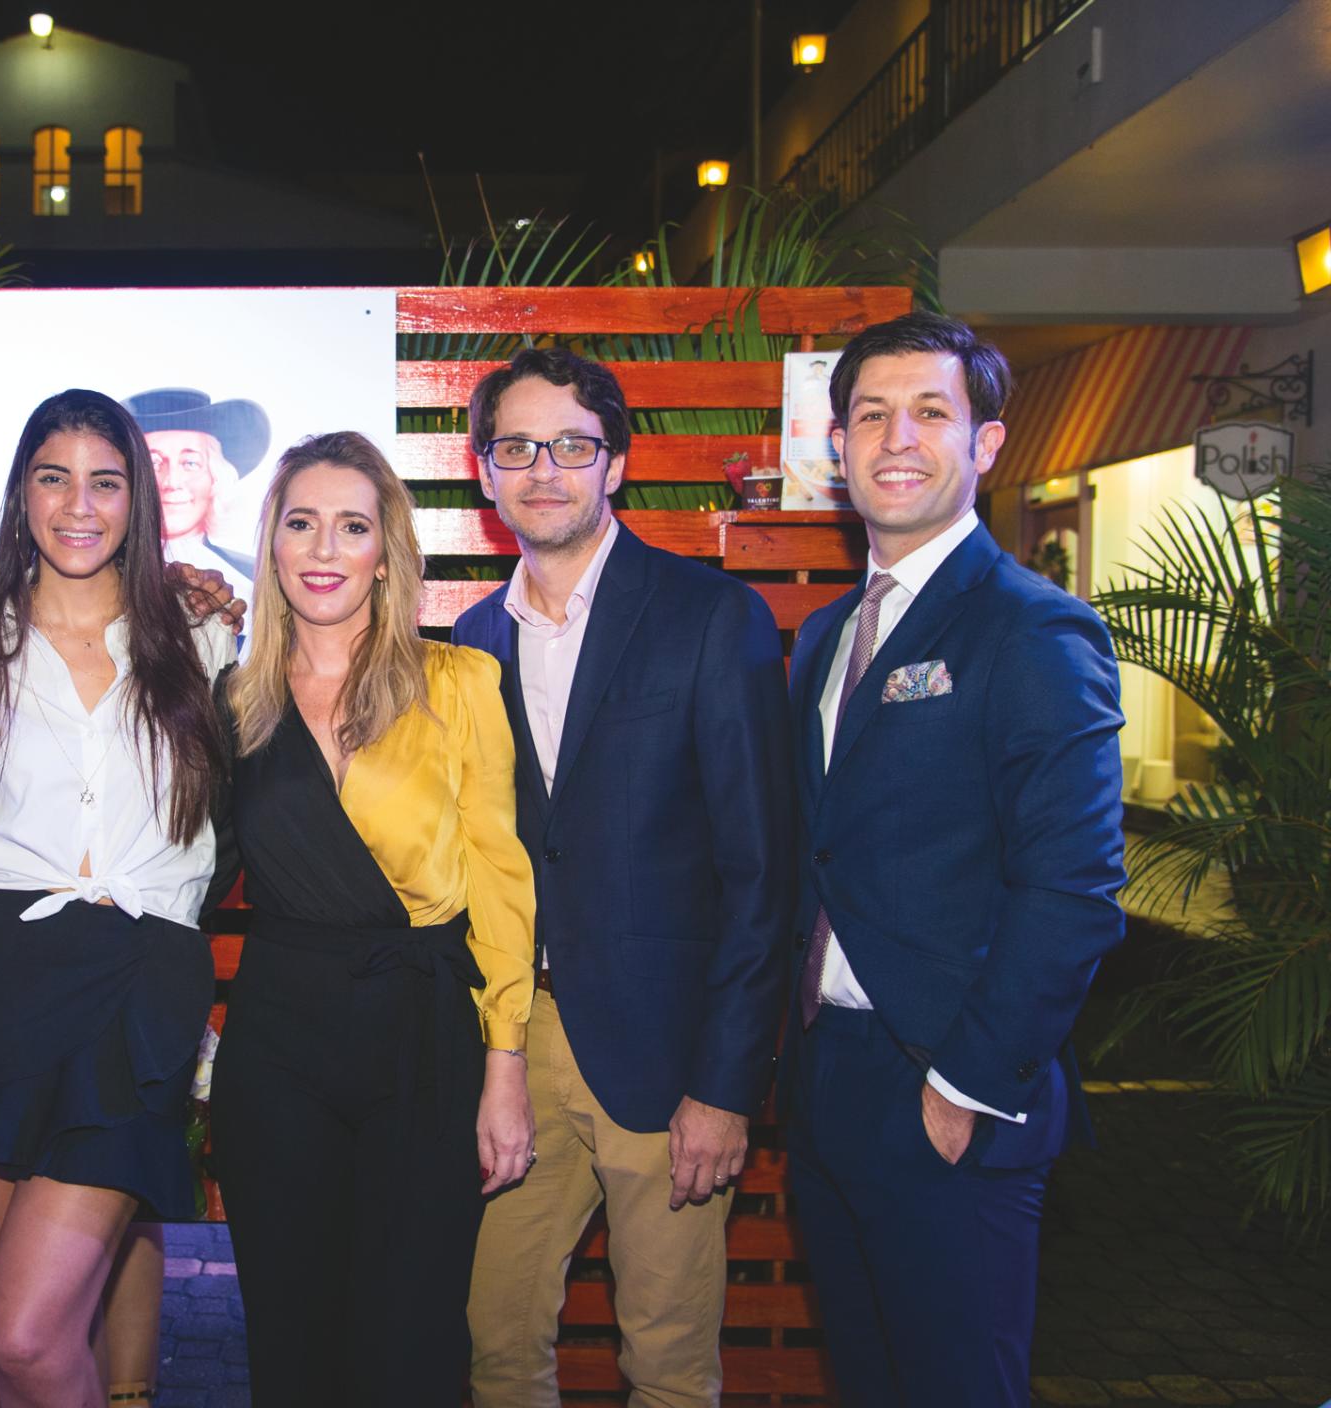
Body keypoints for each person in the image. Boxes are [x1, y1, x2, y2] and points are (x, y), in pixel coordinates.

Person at [0, 389, 235, 1408]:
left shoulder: (200, 642)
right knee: (25, 1339)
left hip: (135, 983)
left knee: (24, 1336)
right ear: (21, 493)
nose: (78, 503)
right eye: (52, 476)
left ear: (137, 497)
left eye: (104, 480)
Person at [785, 311, 1124, 1408]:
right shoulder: (827, 635)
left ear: (984, 445)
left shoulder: (1031, 629)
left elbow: (1071, 892)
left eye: (930, 412)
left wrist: (964, 1082)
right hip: (828, 1075)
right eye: (869, 415)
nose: (894, 437)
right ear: (835, 449)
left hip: (946, 1086)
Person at [453, 347, 796, 1408]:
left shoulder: (706, 616)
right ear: (482, 471)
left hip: (665, 1054)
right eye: (516, 446)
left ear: (616, 464)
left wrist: (723, 1083)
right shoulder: (472, 641)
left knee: (667, 1359)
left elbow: (760, 867)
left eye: (570, 445)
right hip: (520, 1046)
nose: (542, 468)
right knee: (494, 1339)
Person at [207, 430, 537, 1407]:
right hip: (278, 1040)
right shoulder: (232, 704)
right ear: (269, 545)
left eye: (350, 526)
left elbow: (501, 877)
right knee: (290, 1336)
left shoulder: (458, 683)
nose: (321, 547)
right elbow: (184, 871)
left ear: (385, 552)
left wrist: (505, 1061)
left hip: (422, 1038)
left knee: (410, 1339)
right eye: (300, 522)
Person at [123, 387, 268, 596]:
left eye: (190, 463)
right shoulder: (100, 576)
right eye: (154, 464)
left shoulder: (254, 579)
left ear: (216, 476)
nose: (172, 481)